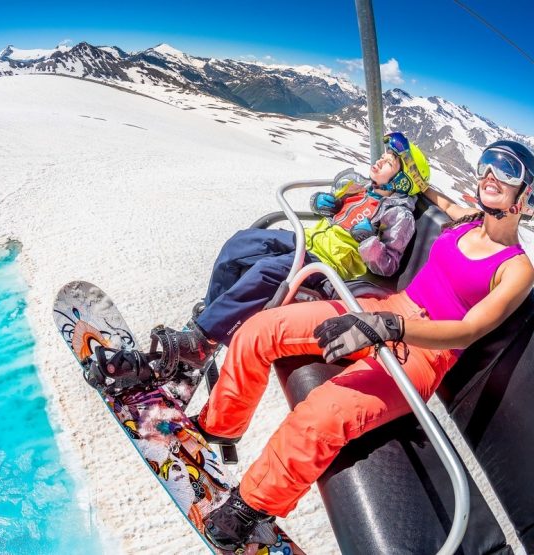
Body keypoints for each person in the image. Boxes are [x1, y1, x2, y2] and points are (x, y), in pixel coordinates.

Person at [195, 139, 534, 552]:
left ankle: (252, 508)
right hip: (386, 310)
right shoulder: (465, 219)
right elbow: (432, 192)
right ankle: (218, 426)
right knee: (261, 330)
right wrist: (407, 173)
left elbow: (467, 331)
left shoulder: (517, 268)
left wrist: (391, 327)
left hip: (423, 353)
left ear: (526, 194)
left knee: (323, 412)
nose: (490, 176)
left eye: (506, 170)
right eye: (486, 166)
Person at [94, 132, 432, 389]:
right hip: (306, 243)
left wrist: (368, 240)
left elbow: (385, 265)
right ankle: (206, 336)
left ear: (402, 178)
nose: (379, 161)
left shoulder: (398, 214)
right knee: (240, 245)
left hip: (327, 267)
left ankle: (200, 340)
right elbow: (321, 202)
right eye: (384, 155)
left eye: (389, 162)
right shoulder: (357, 187)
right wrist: (323, 202)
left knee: (268, 272)